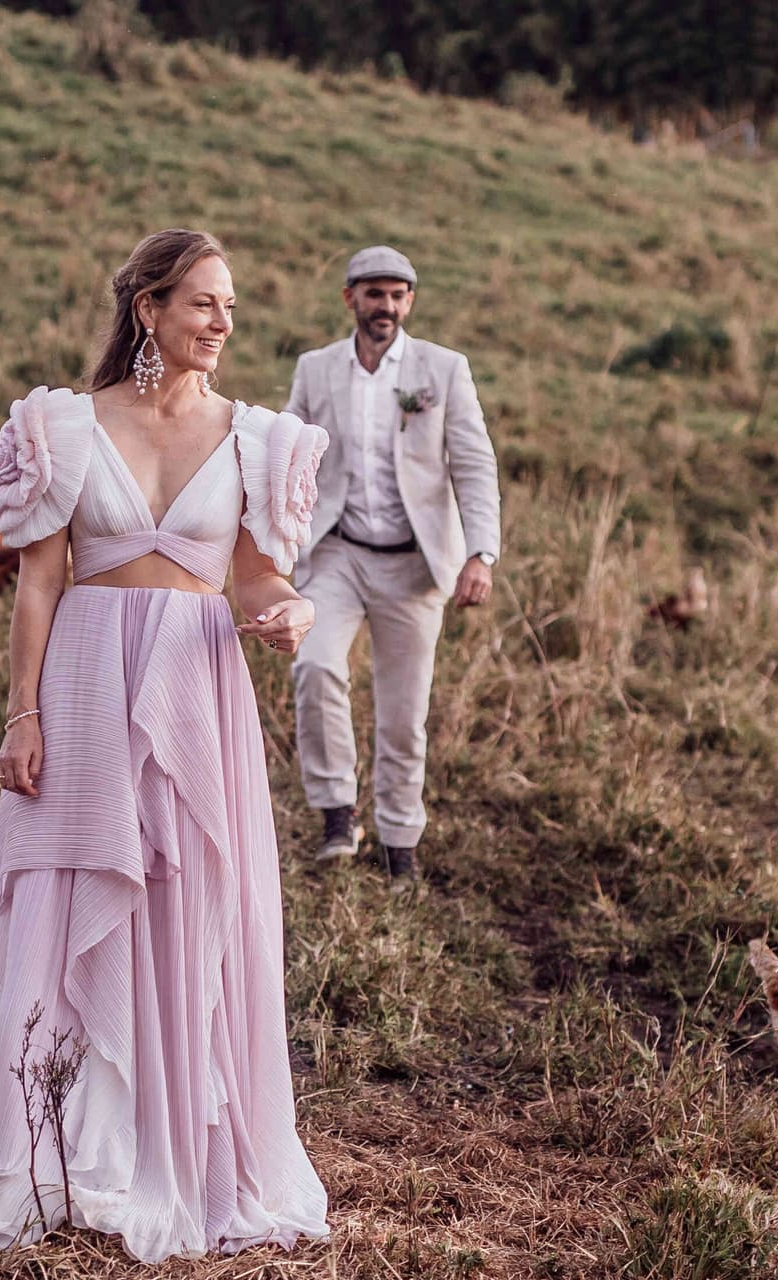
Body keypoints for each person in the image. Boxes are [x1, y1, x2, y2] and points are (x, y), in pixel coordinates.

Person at [0, 229, 332, 1262]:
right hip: (85, 684)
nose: (224, 323)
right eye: (204, 303)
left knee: (186, 902)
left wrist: (294, 614)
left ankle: (169, 1138)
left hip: (196, 687)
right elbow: (40, 581)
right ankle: (63, 1126)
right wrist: (23, 712)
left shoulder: (260, 440)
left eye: (231, 307)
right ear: (148, 307)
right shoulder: (62, 426)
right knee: (69, 904)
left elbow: (258, 577)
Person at [283, 245, 501, 885]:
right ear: (349, 297)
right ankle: (336, 812)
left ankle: (400, 840)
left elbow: (473, 463)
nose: (386, 307)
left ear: (411, 301)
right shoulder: (316, 369)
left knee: (404, 714)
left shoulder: (444, 369)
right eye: (374, 293)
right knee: (316, 665)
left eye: (398, 295)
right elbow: (290, 458)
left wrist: (480, 553)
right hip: (338, 553)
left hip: (414, 566)